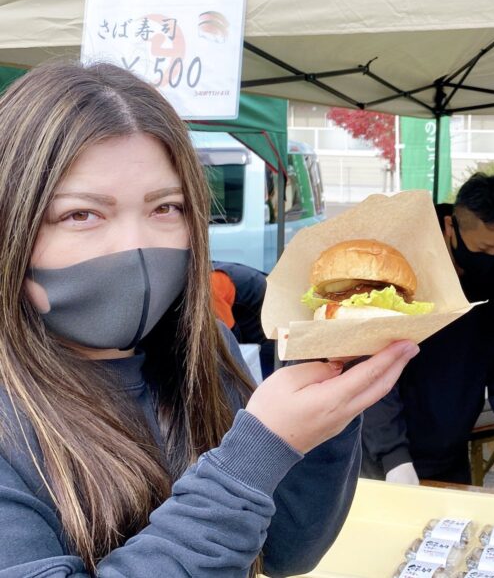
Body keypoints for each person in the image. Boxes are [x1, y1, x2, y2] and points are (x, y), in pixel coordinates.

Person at [0, 62, 418, 577]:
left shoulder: (204, 349)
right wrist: (252, 459)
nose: (135, 247)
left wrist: (325, 412)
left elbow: (286, 551)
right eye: (80, 214)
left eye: (166, 208)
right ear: (11, 226)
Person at [361, 173, 494, 492]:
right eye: (485, 249)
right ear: (450, 226)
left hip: (451, 450)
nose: (493, 260)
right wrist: (394, 456)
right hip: (383, 456)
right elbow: (372, 367)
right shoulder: (400, 270)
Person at [211, 261, 276, 380]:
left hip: (267, 315)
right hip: (257, 304)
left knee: (267, 374)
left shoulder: (210, 285)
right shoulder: (204, 272)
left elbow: (229, 337)